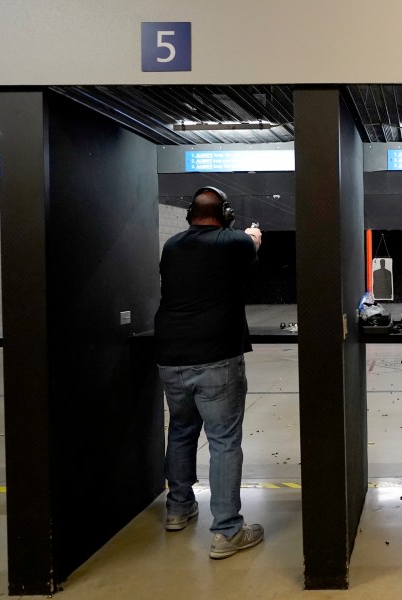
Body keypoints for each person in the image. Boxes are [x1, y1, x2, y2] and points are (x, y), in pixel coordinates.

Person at [154, 186, 265, 559]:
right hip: (216, 355)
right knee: (223, 441)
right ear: (226, 214)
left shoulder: (172, 245)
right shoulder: (234, 242)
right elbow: (249, 248)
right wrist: (253, 237)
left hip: (171, 354)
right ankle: (227, 530)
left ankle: (178, 507)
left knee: (182, 430)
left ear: (190, 214)